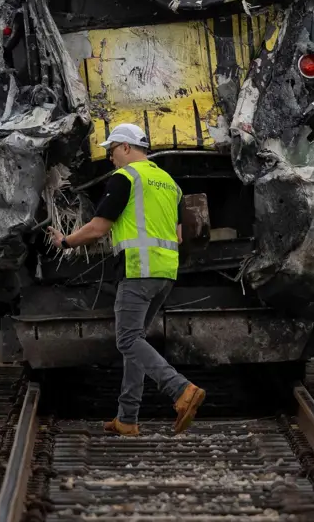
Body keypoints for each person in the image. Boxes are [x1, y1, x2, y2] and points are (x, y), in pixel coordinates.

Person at [45, 123, 207, 436]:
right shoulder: (169, 183)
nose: (110, 157)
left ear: (127, 148)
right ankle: (127, 418)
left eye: (112, 150)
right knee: (136, 341)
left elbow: (98, 228)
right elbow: (178, 235)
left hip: (138, 271)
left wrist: (65, 241)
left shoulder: (126, 178)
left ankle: (181, 389)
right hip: (165, 273)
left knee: (127, 339)